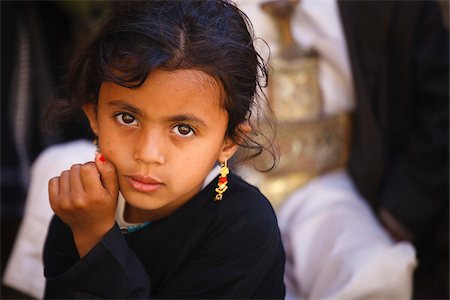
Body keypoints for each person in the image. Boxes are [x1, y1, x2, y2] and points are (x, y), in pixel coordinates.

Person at [42, 1, 285, 299]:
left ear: (228, 142)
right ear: (94, 116)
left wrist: (95, 238)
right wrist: (86, 226)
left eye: (183, 129)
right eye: (127, 118)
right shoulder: (80, 209)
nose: (147, 153)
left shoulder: (245, 228)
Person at [236, 0, 448, 299]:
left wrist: (402, 212)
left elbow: (440, 102)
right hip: (223, 182)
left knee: (372, 272)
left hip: (336, 184)